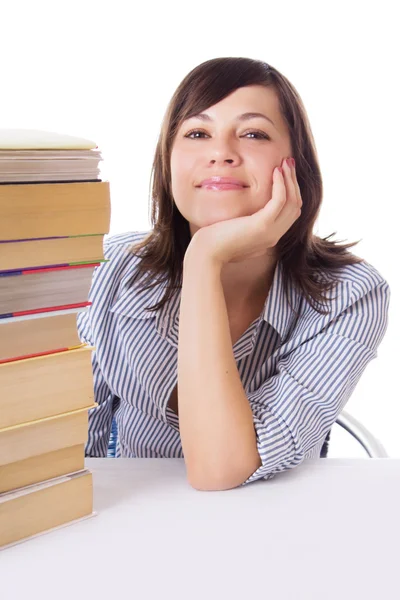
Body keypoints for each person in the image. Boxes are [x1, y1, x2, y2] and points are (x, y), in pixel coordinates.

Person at [77, 57, 390, 491]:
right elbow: (70, 452)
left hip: (279, 531)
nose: (221, 152)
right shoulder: (105, 270)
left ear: (295, 163)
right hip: (132, 523)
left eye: (253, 133)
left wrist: (206, 257)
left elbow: (220, 469)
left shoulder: (350, 294)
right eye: (197, 133)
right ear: (168, 163)